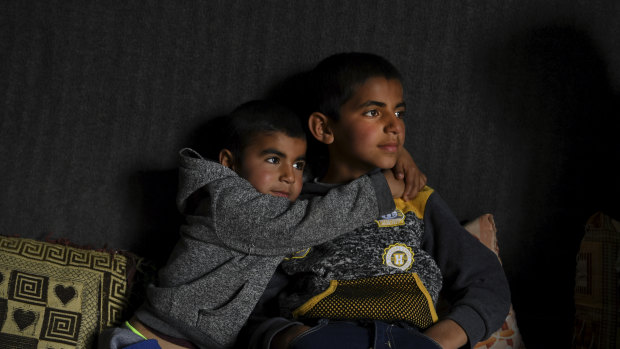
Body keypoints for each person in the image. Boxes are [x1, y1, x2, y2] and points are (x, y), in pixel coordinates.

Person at [98, 100, 426, 349]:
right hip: (154, 340)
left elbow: (335, 166)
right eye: (273, 159)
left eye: (298, 164)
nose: (289, 175)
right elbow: (299, 224)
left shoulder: (271, 197)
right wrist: (381, 189)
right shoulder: (227, 202)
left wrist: (396, 155)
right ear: (229, 163)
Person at [245, 53, 511, 349]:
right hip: (321, 336)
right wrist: (287, 336)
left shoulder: (415, 198)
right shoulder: (292, 207)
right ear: (324, 128)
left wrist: (439, 341)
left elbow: (488, 282)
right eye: (373, 112)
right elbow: (250, 300)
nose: (394, 126)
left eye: (399, 113)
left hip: (407, 338)